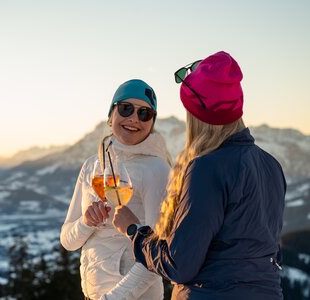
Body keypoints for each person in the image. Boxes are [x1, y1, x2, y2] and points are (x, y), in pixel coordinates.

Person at [113, 51, 286, 300]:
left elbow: (179, 265)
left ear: (196, 116)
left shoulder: (206, 168)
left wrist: (134, 230)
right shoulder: (271, 165)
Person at [60, 79, 171, 300]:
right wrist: (86, 222)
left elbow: (156, 254)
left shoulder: (157, 169)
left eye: (144, 113)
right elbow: (68, 241)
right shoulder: (92, 166)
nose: (133, 119)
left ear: (152, 123)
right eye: (126, 108)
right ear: (111, 115)